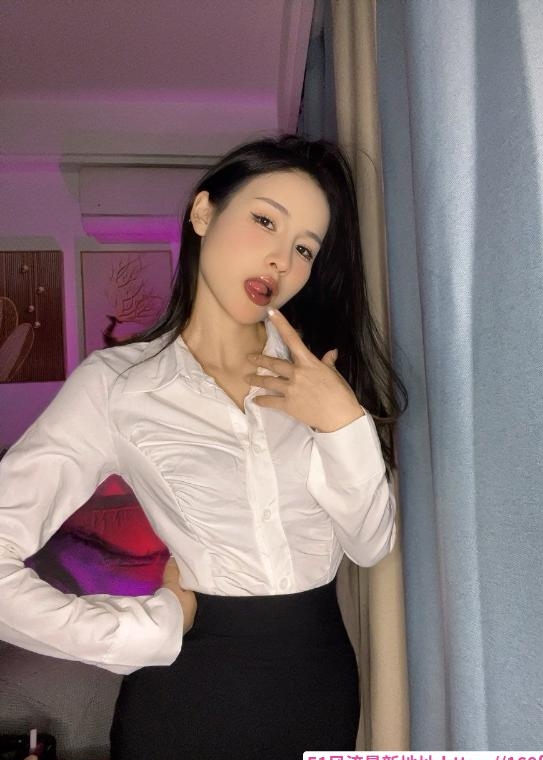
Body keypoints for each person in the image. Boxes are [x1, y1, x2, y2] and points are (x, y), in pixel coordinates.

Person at [0, 134, 407, 759]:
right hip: (186, 699)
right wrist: (139, 631)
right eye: (265, 221)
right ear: (203, 213)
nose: (281, 259)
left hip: (319, 685)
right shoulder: (118, 385)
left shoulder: (325, 378)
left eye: (304, 248)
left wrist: (340, 421)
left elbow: (370, 543)